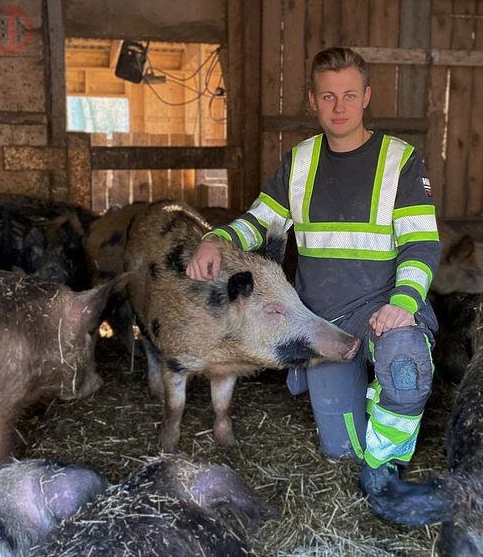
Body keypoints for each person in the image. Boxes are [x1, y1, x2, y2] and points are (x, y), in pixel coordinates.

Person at [186, 47, 440, 498]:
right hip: (320, 320)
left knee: (404, 367)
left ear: (366, 97)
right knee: (340, 451)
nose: (338, 107)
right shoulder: (299, 162)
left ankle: (385, 469)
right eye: (327, 97)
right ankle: (363, 429)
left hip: (381, 308)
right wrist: (217, 240)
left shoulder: (401, 159)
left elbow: (421, 242)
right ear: (312, 100)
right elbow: (260, 221)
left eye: (348, 95)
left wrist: (403, 302)